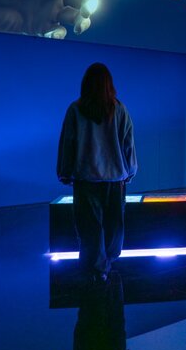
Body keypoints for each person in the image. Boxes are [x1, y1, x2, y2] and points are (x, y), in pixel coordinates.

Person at [58, 62, 137, 284]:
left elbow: (68, 143)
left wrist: (65, 171)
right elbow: (128, 143)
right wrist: (130, 170)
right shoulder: (119, 109)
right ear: (109, 85)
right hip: (114, 180)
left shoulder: (75, 109)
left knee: (89, 227)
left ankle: (95, 271)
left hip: (86, 179)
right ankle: (107, 267)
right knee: (113, 226)